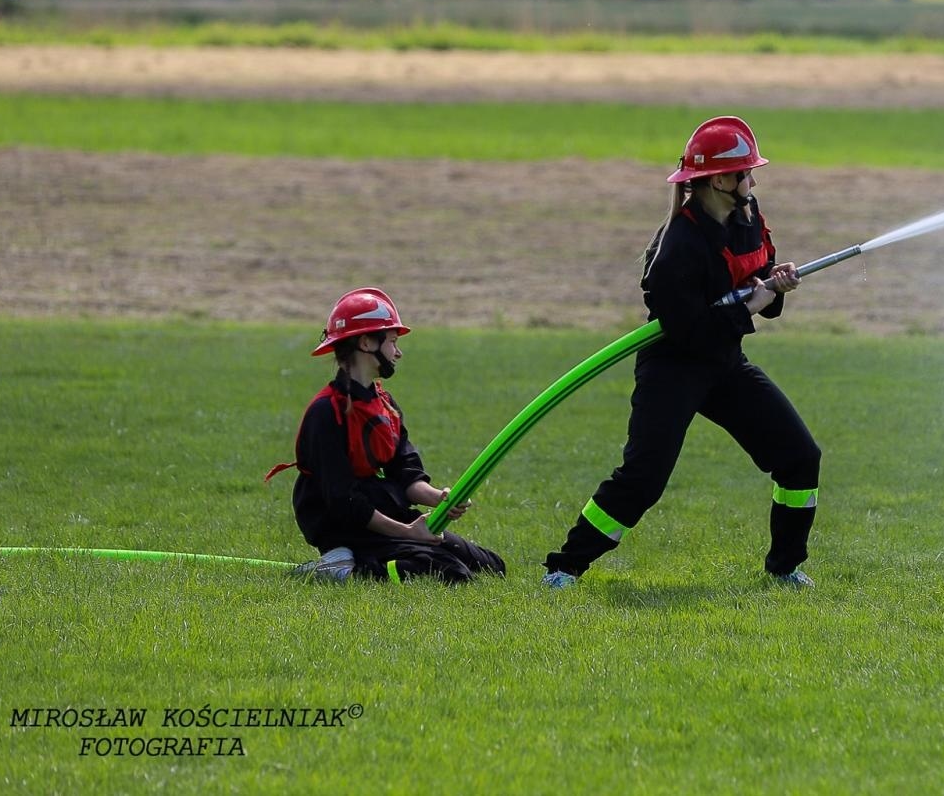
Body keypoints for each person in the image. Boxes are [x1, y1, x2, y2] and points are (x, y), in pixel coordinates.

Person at [543, 115, 821, 589]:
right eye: (746, 172)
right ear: (719, 180)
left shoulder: (748, 218)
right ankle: (564, 568)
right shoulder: (677, 248)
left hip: (725, 364)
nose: (753, 181)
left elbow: (759, 278)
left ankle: (785, 567)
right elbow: (689, 330)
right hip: (674, 365)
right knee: (644, 477)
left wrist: (776, 285)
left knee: (800, 455)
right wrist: (753, 301)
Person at [268, 287, 506, 584]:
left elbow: (404, 471)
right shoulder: (325, 413)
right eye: (392, 342)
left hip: (380, 507)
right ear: (366, 342)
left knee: (492, 566)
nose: (398, 352)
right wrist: (408, 532)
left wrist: (440, 499)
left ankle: (360, 561)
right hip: (345, 523)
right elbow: (344, 502)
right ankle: (342, 569)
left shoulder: (385, 404)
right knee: (450, 571)